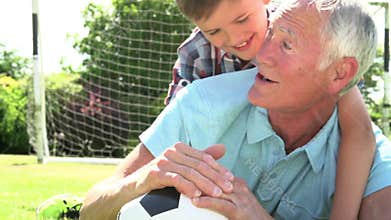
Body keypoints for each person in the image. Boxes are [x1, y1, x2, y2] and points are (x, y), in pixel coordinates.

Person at [79, 0, 383, 219]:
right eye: (271, 35)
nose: (258, 53)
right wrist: (146, 178)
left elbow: (360, 131)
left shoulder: (372, 158)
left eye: (286, 45)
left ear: (339, 73)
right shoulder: (200, 100)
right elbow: (91, 208)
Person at [165, 0, 375, 219]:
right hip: (220, 176)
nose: (235, 38)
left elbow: (360, 131)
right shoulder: (198, 52)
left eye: (241, 19)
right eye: (214, 31)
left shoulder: (301, 25)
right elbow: (175, 127)